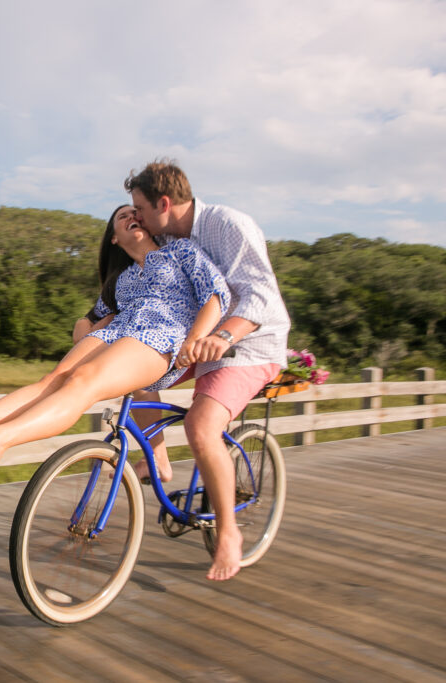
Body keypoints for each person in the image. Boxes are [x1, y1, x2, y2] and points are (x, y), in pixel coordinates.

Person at [0, 205, 230, 471]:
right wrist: (83, 324)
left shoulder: (180, 252)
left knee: (82, 379)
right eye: (123, 216)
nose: (132, 217)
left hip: (162, 337)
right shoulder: (121, 280)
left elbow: (216, 294)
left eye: (135, 213)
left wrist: (195, 338)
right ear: (113, 237)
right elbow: (93, 316)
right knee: (53, 378)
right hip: (118, 333)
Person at [124, 159, 291, 581]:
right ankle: (157, 459)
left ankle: (229, 533)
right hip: (193, 341)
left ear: (165, 203)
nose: (137, 218)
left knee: (201, 426)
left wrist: (225, 337)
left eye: (140, 208)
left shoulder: (228, 225)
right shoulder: (167, 243)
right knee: (133, 381)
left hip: (248, 345)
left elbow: (261, 297)